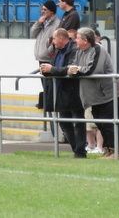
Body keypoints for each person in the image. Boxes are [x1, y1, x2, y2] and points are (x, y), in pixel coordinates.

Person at [67, 27, 119, 159]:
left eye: (78, 38)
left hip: (109, 93)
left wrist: (76, 69)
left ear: (85, 40)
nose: (75, 40)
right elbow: (72, 67)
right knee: (99, 122)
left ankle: (117, 152)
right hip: (96, 96)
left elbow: (91, 70)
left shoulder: (98, 49)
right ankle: (109, 150)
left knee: (108, 123)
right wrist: (74, 69)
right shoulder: (79, 51)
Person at [39, 28, 87, 158]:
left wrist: (52, 69)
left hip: (74, 92)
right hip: (61, 92)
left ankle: (80, 151)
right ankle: (76, 149)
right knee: (64, 123)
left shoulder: (74, 50)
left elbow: (70, 69)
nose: (53, 42)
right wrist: (46, 71)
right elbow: (58, 69)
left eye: (54, 39)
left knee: (78, 122)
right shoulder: (57, 52)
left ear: (61, 38)